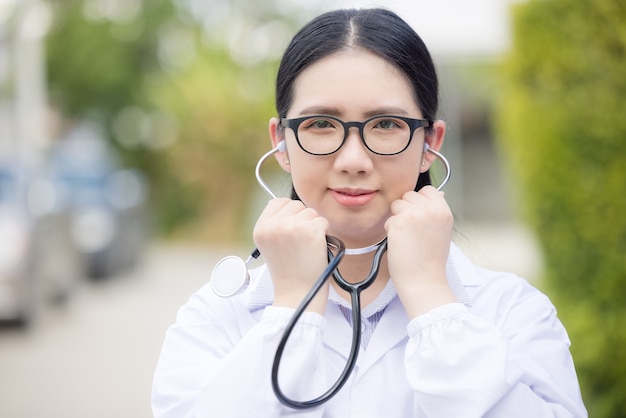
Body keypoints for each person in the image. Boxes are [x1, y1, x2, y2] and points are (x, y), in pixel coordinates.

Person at [151, 8, 587, 417]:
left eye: (386, 124)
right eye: (320, 124)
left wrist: (434, 302)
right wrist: (289, 311)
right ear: (280, 143)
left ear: (430, 145)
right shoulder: (216, 316)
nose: (353, 160)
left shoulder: (511, 311)